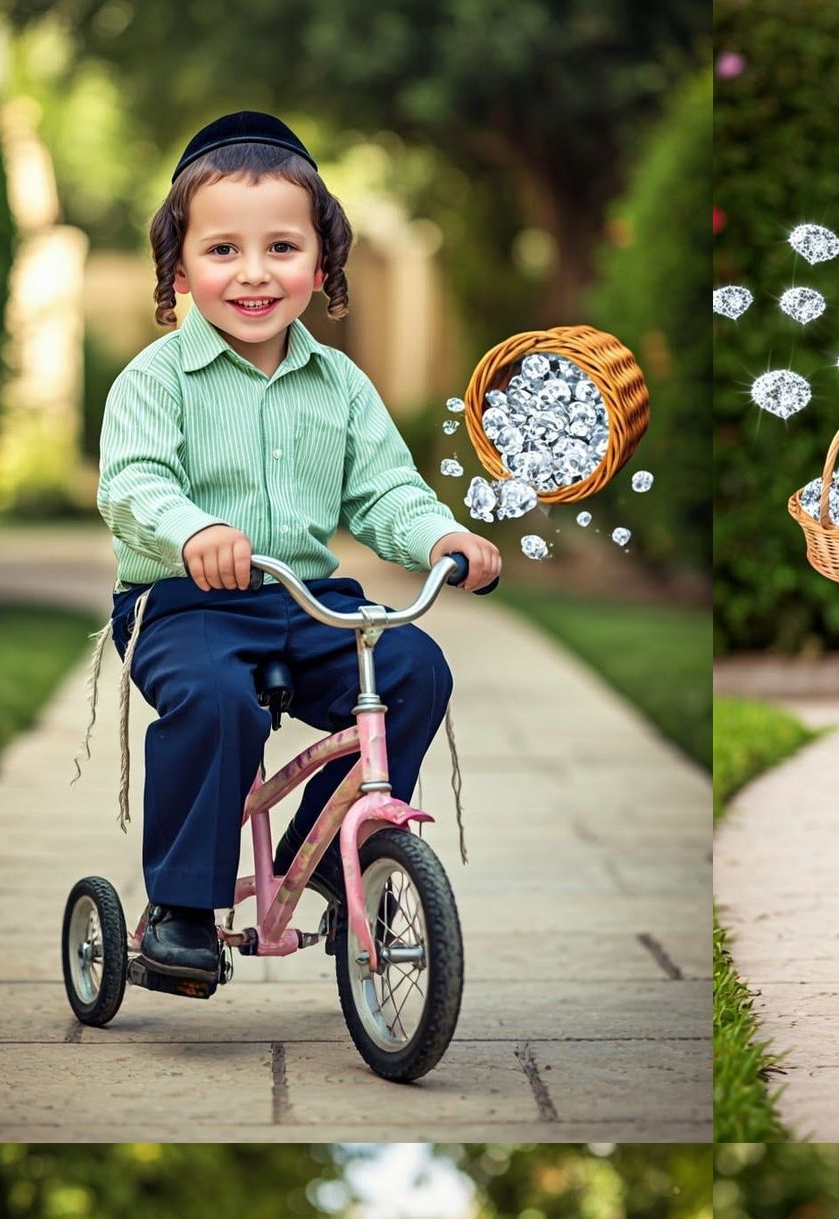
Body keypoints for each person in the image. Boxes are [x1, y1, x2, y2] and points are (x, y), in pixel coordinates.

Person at [84, 111, 501, 987]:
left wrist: (443, 537)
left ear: (321, 263)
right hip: (184, 606)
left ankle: (323, 854)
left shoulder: (341, 385)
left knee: (414, 668)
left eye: (281, 248)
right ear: (180, 266)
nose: (253, 273)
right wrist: (194, 531)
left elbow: (385, 490)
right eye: (223, 250)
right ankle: (184, 909)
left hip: (307, 600)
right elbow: (132, 485)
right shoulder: (154, 382)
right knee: (216, 702)